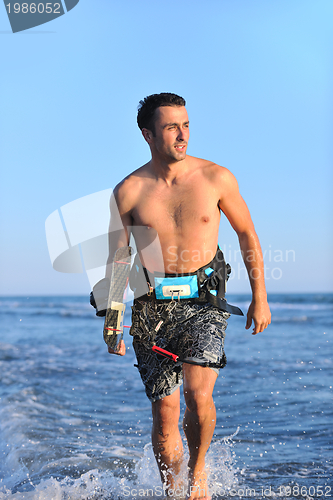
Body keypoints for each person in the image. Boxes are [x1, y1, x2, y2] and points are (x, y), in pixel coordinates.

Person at [106, 93, 271, 500]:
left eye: (186, 125)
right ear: (147, 134)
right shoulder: (128, 191)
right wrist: (112, 315)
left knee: (199, 399)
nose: (182, 135)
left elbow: (247, 233)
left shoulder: (216, 178)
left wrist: (259, 296)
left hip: (205, 300)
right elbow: (118, 256)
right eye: (170, 127)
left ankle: (197, 479)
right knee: (165, 415)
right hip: (152, 308)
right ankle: (171, 492)